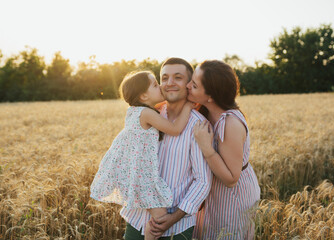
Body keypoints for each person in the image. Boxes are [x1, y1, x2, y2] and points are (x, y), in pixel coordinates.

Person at [90, 71, 195, 240]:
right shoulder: (146, 114)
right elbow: (175, 130)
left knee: (158, 214)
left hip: (135, 174)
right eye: (155, 84)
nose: (160, 86)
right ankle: (149, 234)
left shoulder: (134, 111)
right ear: (144, 96)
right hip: (143, 177)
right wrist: (188, 106)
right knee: (160, 218)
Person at [120, 58, 212, 240]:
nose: (169, 83)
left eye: (177, 77)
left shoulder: (199, 126)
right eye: (164, 78)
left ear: (189, 84)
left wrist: (173, 217)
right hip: (138, 217)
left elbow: (202, 181)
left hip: (177, 225)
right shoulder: (148, 117)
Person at [187, 60, 261, 240]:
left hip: (232, 197)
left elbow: (231, 179)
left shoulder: (230, 123)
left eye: (194, 85)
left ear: (210, 96)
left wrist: (206, 147)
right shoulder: (204, 111)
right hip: (214, 192)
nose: (188, 86)